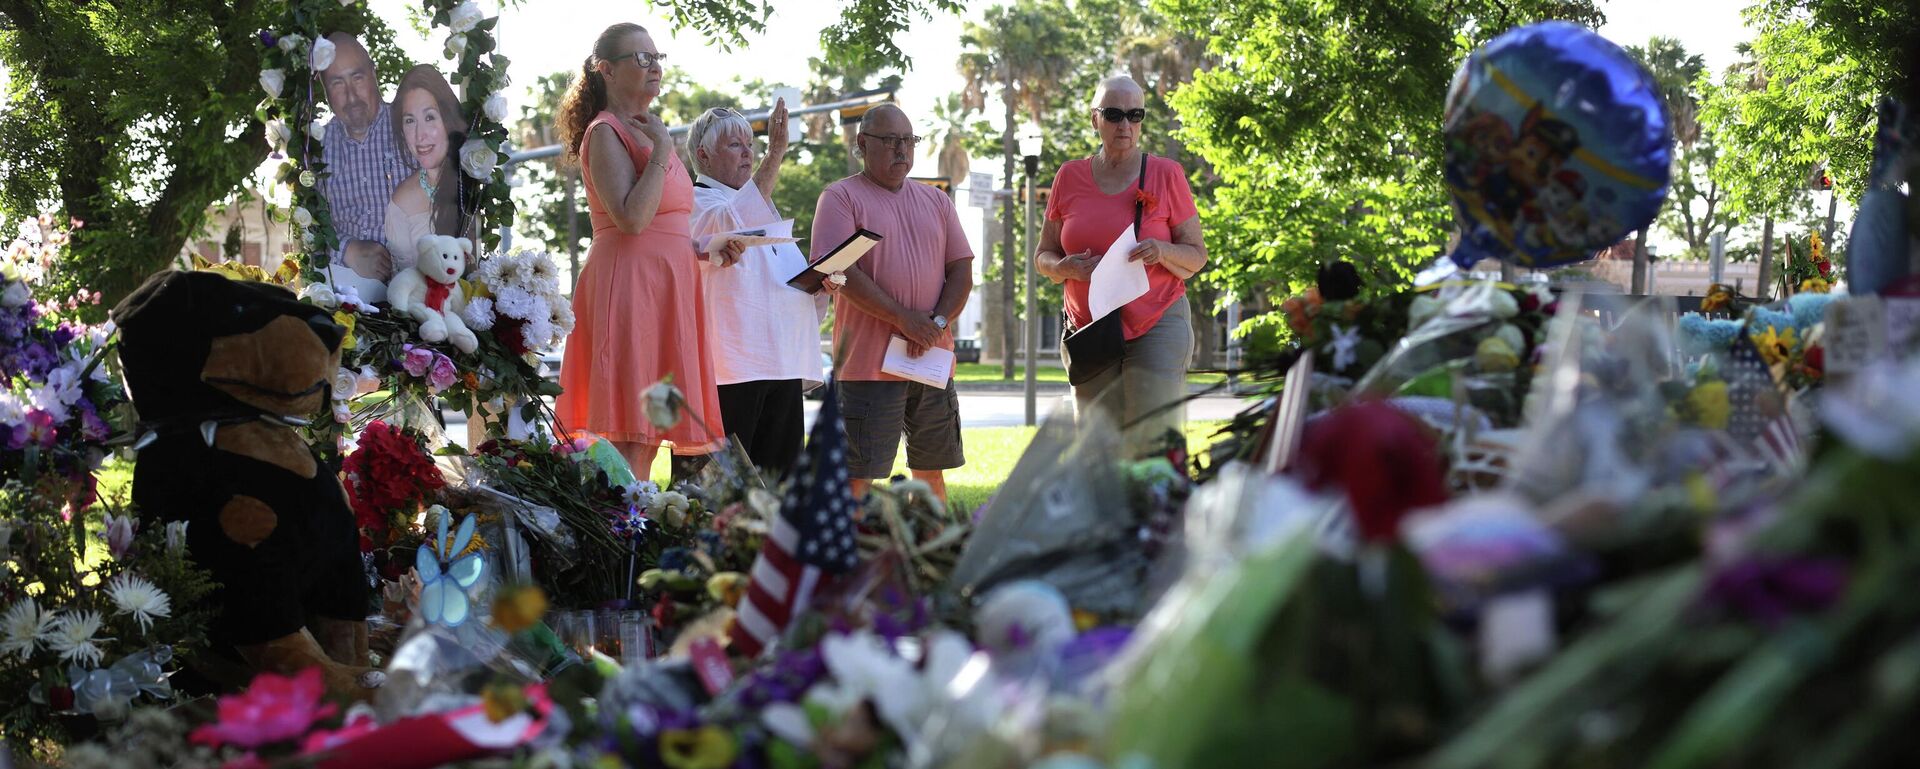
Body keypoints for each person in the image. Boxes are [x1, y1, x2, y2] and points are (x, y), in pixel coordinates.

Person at [553, 22, 727, 480]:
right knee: (629, 432)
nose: (654, 67)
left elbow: (667, 224)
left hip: (669, 285)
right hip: (630, 286)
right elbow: (631, 219)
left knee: (649, 432)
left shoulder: (650, 129)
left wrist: (706, 248)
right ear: (607, 70)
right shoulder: (605, 132)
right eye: (642, 58)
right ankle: (621, 539)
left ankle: (639, 532)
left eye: (657, 57)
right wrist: (662, 150)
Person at [1034, 75, 1207, 456]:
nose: (1125, 125)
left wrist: (1161, 249)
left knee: (1153, 441)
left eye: (1135, 115)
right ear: (1095, 119)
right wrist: (1066, 268)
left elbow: (1196, 256)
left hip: (1156, 322)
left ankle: (1158, 513)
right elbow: (1042, 256)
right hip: (1091, 329)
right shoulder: (1069, 176)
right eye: (1113, 114)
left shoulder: (1166, 174)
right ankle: (1105, 516)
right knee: (1097, 445)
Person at [811, 104, 973, 504]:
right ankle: (851, 563)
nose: (902, 149)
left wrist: (933, 324)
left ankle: (930, 555)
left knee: (931, 473)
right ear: (862, 144)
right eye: (890, 141)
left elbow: (962, 271)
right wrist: (904, 320)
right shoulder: (840, 197)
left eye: (908, 140)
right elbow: (840, 271)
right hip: (867, 367)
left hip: (930, 360)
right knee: (858, 479)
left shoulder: (937, 201)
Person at [686, 101, 828, 477]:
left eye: (751, 143)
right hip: (730, 370)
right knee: (718, 486)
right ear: (704, 155)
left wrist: (820, 283)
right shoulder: (697, 201)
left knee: (777, 486)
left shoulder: (761, 203)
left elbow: (784, 276)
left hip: (781, 362)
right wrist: (777, 153)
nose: (749, 152)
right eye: (735, 145)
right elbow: (735, 219)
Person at [317, 33, 410, 276]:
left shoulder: (412, 129)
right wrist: (346, 249)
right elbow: (305, 228)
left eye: (357, 78)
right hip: (343, 295)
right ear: (324, 89)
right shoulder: (315, 150)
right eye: (337, 83)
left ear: (374, 74)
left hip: (415, 290)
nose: (351, 96)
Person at [385, 64, 470, 272]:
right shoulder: (401, 203)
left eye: (430, 117)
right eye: (409, 121)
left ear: (448, 119)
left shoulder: (473, 182)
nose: (419, 135)